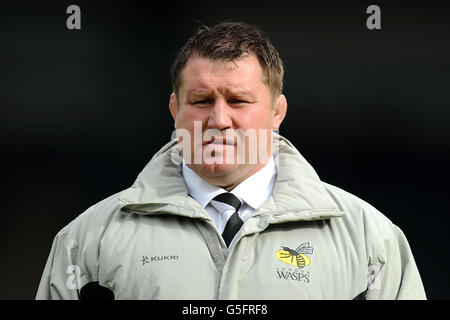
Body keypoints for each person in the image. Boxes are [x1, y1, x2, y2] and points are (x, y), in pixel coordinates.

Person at [36, 21, 426, 300]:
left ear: (278, 112)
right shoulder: (86, 242)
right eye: (202, 101)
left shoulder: (369, 239)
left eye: (238, 101)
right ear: (175, 109)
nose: (219, 120)